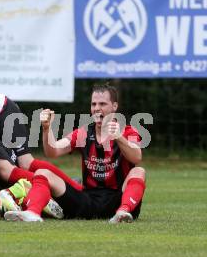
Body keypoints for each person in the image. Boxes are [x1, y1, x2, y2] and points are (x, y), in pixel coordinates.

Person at [23, 83, 147, 223]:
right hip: (89, 201)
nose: (96, 108)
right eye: (93, 104)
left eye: (102, 104)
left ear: (114, 106)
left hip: (118, 199)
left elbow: (136, 157)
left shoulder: (128, 131)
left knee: (139, 171)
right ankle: (32, 213)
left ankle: (123, 212)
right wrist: (46, 129)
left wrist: (118, 137)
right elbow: (53, 151)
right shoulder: (84, 133)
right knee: (42, 173)